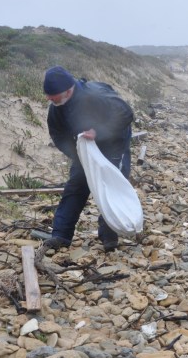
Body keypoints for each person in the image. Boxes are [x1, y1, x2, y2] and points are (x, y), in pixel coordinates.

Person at [43, 66, 134, 252]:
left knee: (111, 185)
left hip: (115, 141)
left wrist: (99, 132)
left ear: (69, 90)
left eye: (54, 96)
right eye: (48, 96)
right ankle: (61, 235)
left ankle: (109, 236)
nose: (49, 100)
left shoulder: (96, 95)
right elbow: (58, 135)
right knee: (76, 185)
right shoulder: (56, 109)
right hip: (85, 147)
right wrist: (78, 155)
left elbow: (126, 114)